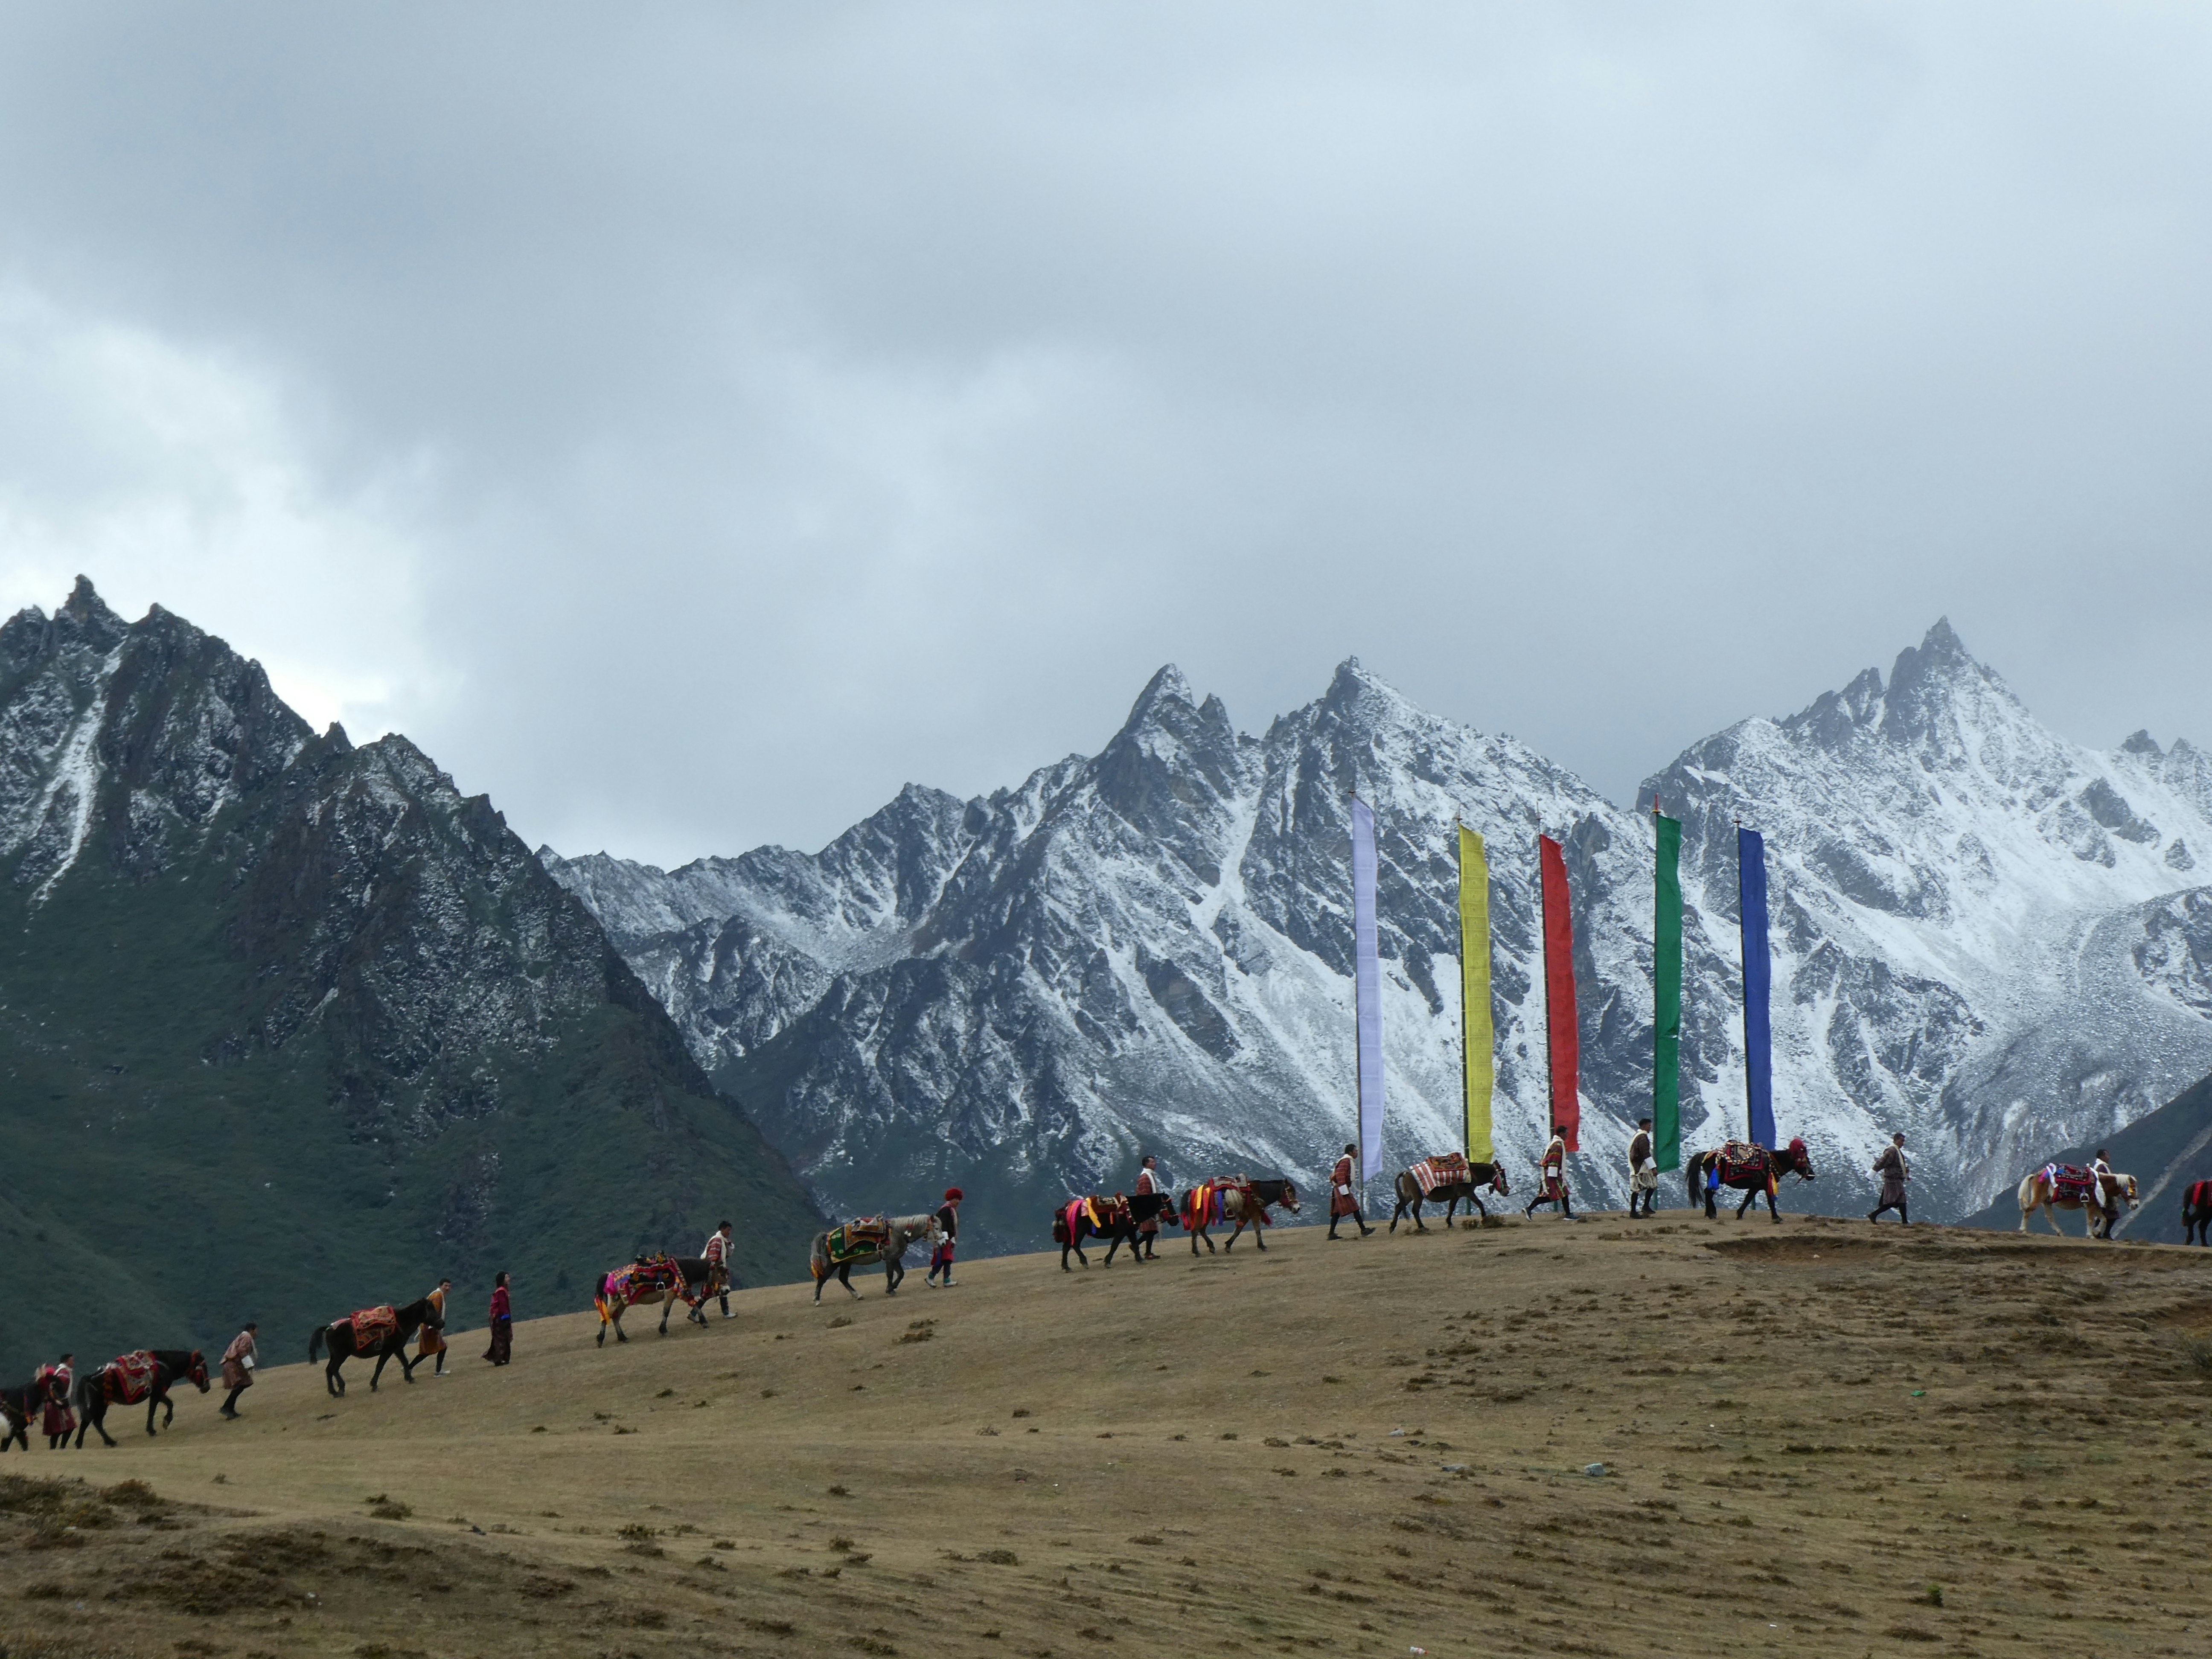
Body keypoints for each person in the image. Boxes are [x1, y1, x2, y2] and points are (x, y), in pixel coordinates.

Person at [1525, 1126, 1576, 1220]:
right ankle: (1568, 1215)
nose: (1567, 1135)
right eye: (1566, 1133)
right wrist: (1553, 1174)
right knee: (1562, 1193)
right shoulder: (1558, 1145)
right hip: (1553, 1174)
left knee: (1556, 1195)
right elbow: (1554, 1159)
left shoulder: (1554, 1143)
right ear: (1561, 1134)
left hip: (1551, 1173)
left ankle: (1529, 1209)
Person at [1327, 1143, 1372, 1239]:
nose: (1357, 1153)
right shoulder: (1346, 1161)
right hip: (1342, 1188)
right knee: (1355, 1208)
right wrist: (1344, 1189)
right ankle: (1363, 1229)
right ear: (1350, 1152)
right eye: (1356, 1151)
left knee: (1337, 1212)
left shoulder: (1347, 1161)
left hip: (1339, 1188)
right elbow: (1340, 1175)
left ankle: (1331, 1234)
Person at [35, 1353, 75, 1448]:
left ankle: (58, 1448)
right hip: (57, 1404)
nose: (73, 1362)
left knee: (63, 1429)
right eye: (72, 1360)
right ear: (66, 1362)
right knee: (62, 1429)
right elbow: (56, 1388)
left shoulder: (64, 1371)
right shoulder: (63, 1373)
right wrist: (60, 1399)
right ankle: (60, 1448)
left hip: (58, 1403)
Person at [219, 1323, 259, 1418]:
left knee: (245, 1383)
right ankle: (227, 1408)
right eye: (256, 1331)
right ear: (252, 1330)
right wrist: (249, 1364)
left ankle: (229, 1409)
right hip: (233, 1364)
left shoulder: (244, 1336)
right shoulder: (247, 1336)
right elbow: (242, 1350)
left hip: (234, 1364)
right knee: (241, 1385)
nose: (257, 1333)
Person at [1869, 1132, 1910, 1224]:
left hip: (1897, 1179)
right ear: (1896, 1140)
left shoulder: (1896, 1151)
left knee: (1901, 1200)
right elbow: (1882, 1162)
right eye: (1901, 1141)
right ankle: (1874, 1215)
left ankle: (1905, 1222)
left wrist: (1905, 1173)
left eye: (1904, 1141)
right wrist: (1873, 1172)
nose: (1903, 1143)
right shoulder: (1892, 1151)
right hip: (1892, 1180)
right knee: (1893, 1201)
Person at [926, 1188, 962, 1286]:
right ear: (951, 1199)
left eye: (959, 1199)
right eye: (956, 1199)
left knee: (946, 1260)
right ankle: (933, 1277)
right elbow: (944, 1225)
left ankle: (945, 1279)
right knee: (943, 1259)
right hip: (943, 1239)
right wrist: (949, 1237)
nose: (958, 1201)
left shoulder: (950, 1209)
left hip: (947, 1239)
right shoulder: (947, 1210)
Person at [1135, 1155, 1166, 1260]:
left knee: (1151, 1231)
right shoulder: (1145, 1177)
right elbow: (1144, 1194)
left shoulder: (1148, 1175)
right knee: (1150, 1230)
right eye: (1152, 1162)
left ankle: (1140, 1248)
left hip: (1148, 1207)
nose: (1155, 1164)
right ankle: (1145, 1252)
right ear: (1147, 1164)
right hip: (1146, 1208)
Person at [701, 1220, 735, 1316]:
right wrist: (718, 1270)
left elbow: (726, 1254)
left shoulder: (722, 1241)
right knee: (721, 1290)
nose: (729, 1232)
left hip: (715, 1270)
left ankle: (694, 1312)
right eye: (728, 1230)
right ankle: (726, 1313)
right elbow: (713, 1258)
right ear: (722, 1229)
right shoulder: (717, 1240)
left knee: (717, 1292)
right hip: (714, 1271)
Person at [1627, 1116, 1659, 1218]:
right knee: (1647, 1186)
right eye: (1649, 1126)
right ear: (1645, 1126)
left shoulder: (1637, 1136)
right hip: (1640, 1166)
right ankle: (1637, 1210)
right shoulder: (1642, 1138)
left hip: (1637, 1165)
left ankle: (1639, 1209)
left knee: (1645, 1186)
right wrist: (1653, 1168)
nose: (1650, 1128)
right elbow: (1646, 1154)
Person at [483, 1272, 512, 1365]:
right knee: (502, 1338)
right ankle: (499, 1359)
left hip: (500, 1318)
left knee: (502, 1338)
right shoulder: (501, 1291)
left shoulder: (503, 1290)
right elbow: (503, 1306)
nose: (509, 1279)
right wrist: (506, 1318)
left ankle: (501, 1358)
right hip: (499, 1319)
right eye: (507, 1277)